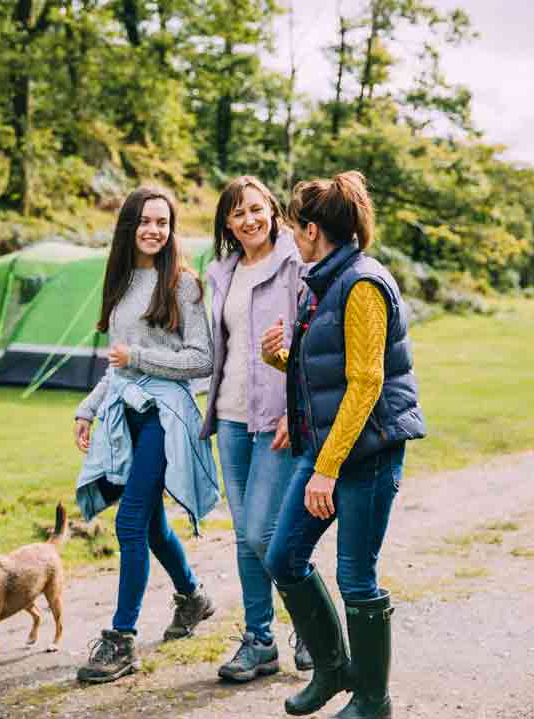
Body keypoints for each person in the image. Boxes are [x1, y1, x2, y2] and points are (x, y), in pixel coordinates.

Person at [261, 172, 426, 717]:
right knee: (285, 557)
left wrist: (326, 469)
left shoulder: (361, 285)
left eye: (293, 229)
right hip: (329, 450)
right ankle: (333, 670)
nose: (290, 239)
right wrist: (278, 357)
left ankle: (373, 700)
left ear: (312, 230)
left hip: (368, 455)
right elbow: (325, 375)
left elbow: (366, 383)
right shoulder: (326, 281)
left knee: (356, 575)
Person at [73, 186, 220, 685]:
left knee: (131, 523)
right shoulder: (119, 282)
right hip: (125, 413)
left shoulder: (182, 283)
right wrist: (88, 408)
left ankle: (121, 640)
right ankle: (193, 597)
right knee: (153, 525)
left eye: (163, 222)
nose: (155, 230)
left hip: (166, 416)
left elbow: (202, 360)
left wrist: (139, 359)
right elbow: (117, 365)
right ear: (128, 226)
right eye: (145, 221)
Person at [200, 175, 311, 682]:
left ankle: (313, 628)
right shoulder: (221, 272)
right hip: (229, 415)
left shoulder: (296, 264)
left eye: (256, 209)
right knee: (245, 536)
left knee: (269, 533)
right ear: (227, 222)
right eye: (238, 213)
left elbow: (311, 342)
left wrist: (296, 407)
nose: (249, 220)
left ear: (272, 209)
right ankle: (259, 641)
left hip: (278, 419)